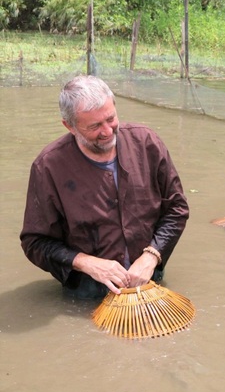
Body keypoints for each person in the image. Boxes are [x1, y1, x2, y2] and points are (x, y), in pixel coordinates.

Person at [20, 75, 189, 300]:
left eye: (110, 119)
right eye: (95, 126)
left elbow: (176, 209)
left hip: (149, 281)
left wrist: (151, 256)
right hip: (89, 291)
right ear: (69, 126)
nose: (108, 131)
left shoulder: (147, 144)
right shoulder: (48, 167)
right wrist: (87, 263)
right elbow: (34, 242)